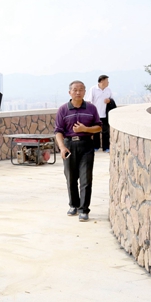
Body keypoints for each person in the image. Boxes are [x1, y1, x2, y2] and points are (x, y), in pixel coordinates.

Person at [54, 81, 103, 222]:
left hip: (86, 145)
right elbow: (58, 131)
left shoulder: (91, 108)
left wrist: (85, 129)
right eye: (75, 90)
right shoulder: (63, 110)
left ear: (85, 92)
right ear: (69, 92)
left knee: (86, 178)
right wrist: (62, 147)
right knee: (70, 177)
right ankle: (74, 205)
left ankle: (84, 209)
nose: (78, 92)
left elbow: (99, 127)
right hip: (69, 145)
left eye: (81, 89)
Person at [89, 75, 114, 152]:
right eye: (107, 81)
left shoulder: (108, 90)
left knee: (106, 132)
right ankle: (96, 146)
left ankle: (106, 147)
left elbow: (112, 100)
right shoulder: (93, 89)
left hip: (105, 114)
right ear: (102, 81)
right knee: (95, 132)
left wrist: (109, 101)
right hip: (95, 114)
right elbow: (89, 101)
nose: (108, 82)